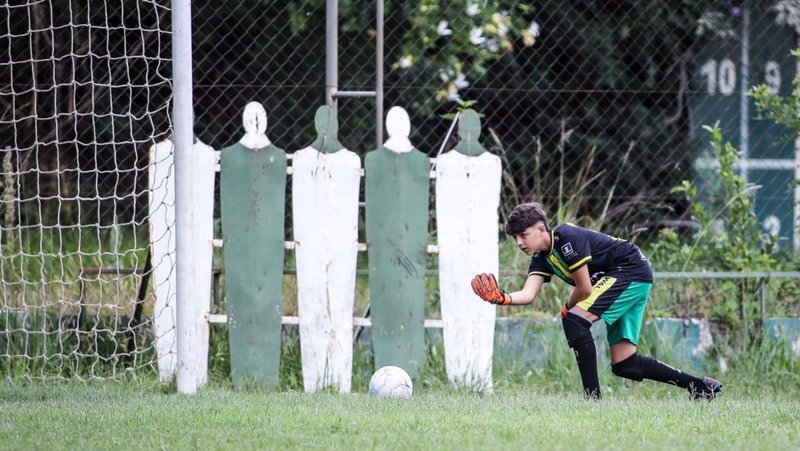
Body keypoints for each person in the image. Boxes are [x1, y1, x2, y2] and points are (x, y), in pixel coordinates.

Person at [471, 202, 723, 400]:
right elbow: (528, 294)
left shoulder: (567, 237)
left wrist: (568, 308)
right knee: (625, 364)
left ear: (541, 229)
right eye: (515, 237)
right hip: (627, 278)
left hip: (630, 269)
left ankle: (593, 399)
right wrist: (501, 298)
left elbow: (585, 287)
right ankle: (700, 387)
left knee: (575, 320)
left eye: (523, 235)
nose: (519, 242)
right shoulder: (541, 257)